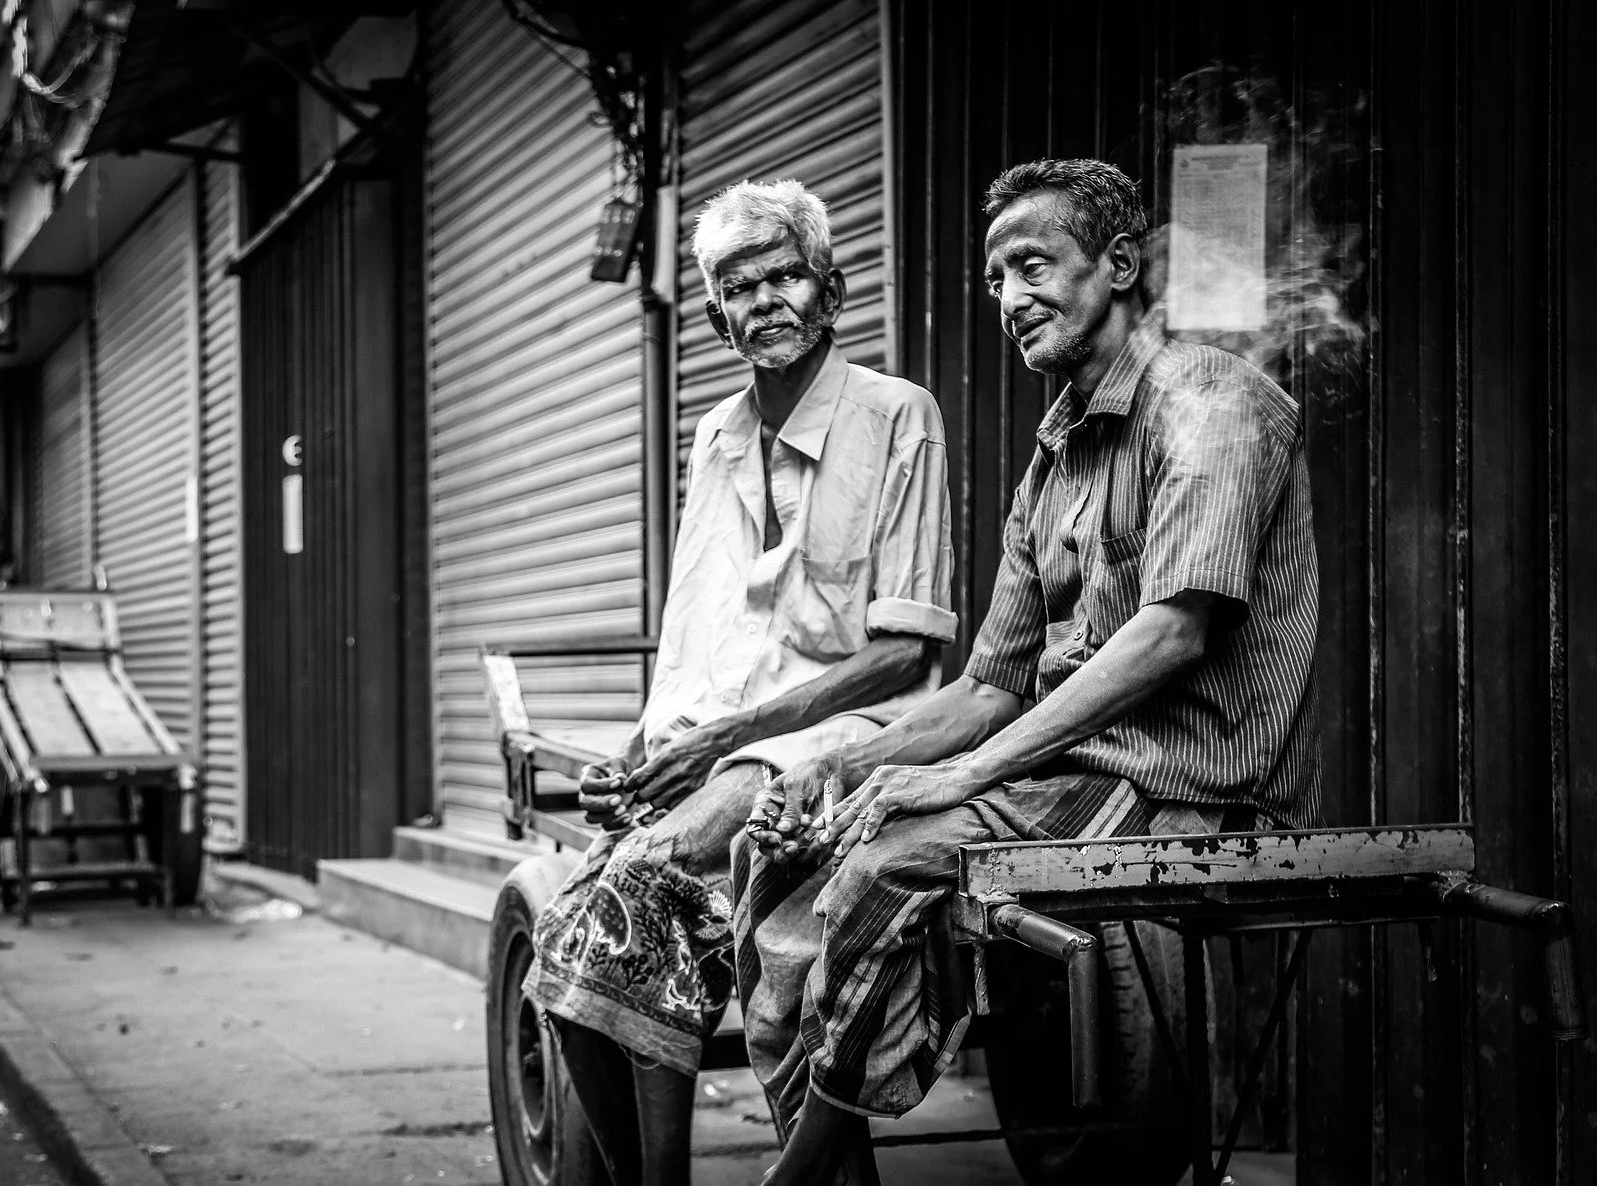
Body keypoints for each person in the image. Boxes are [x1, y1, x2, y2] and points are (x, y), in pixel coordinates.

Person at [737, 158, 1323, 1186]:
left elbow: (1174, 632)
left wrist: (960, 779)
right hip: (1068, 776)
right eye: (996, 276)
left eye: (1034, 264)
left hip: (1182, 784)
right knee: (787, 857)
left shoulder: (1213, 400)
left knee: (881, 870)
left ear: (1121, 265)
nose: (1010, 297)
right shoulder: (1052, 459)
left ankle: (792, 1181)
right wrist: (845, 773)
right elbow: (988, 686)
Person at [519, 178, 957, 1186]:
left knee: (635, 883)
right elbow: (694, 635)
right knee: (566, 933)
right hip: (722, 749)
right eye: (736, 285)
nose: (762, 299)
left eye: (783, 275)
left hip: (848, 733)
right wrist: (640, 755)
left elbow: (906, 655)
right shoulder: (714, 441)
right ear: (715, 314)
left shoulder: (899, 416)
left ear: (832, 289)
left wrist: (719, 744)